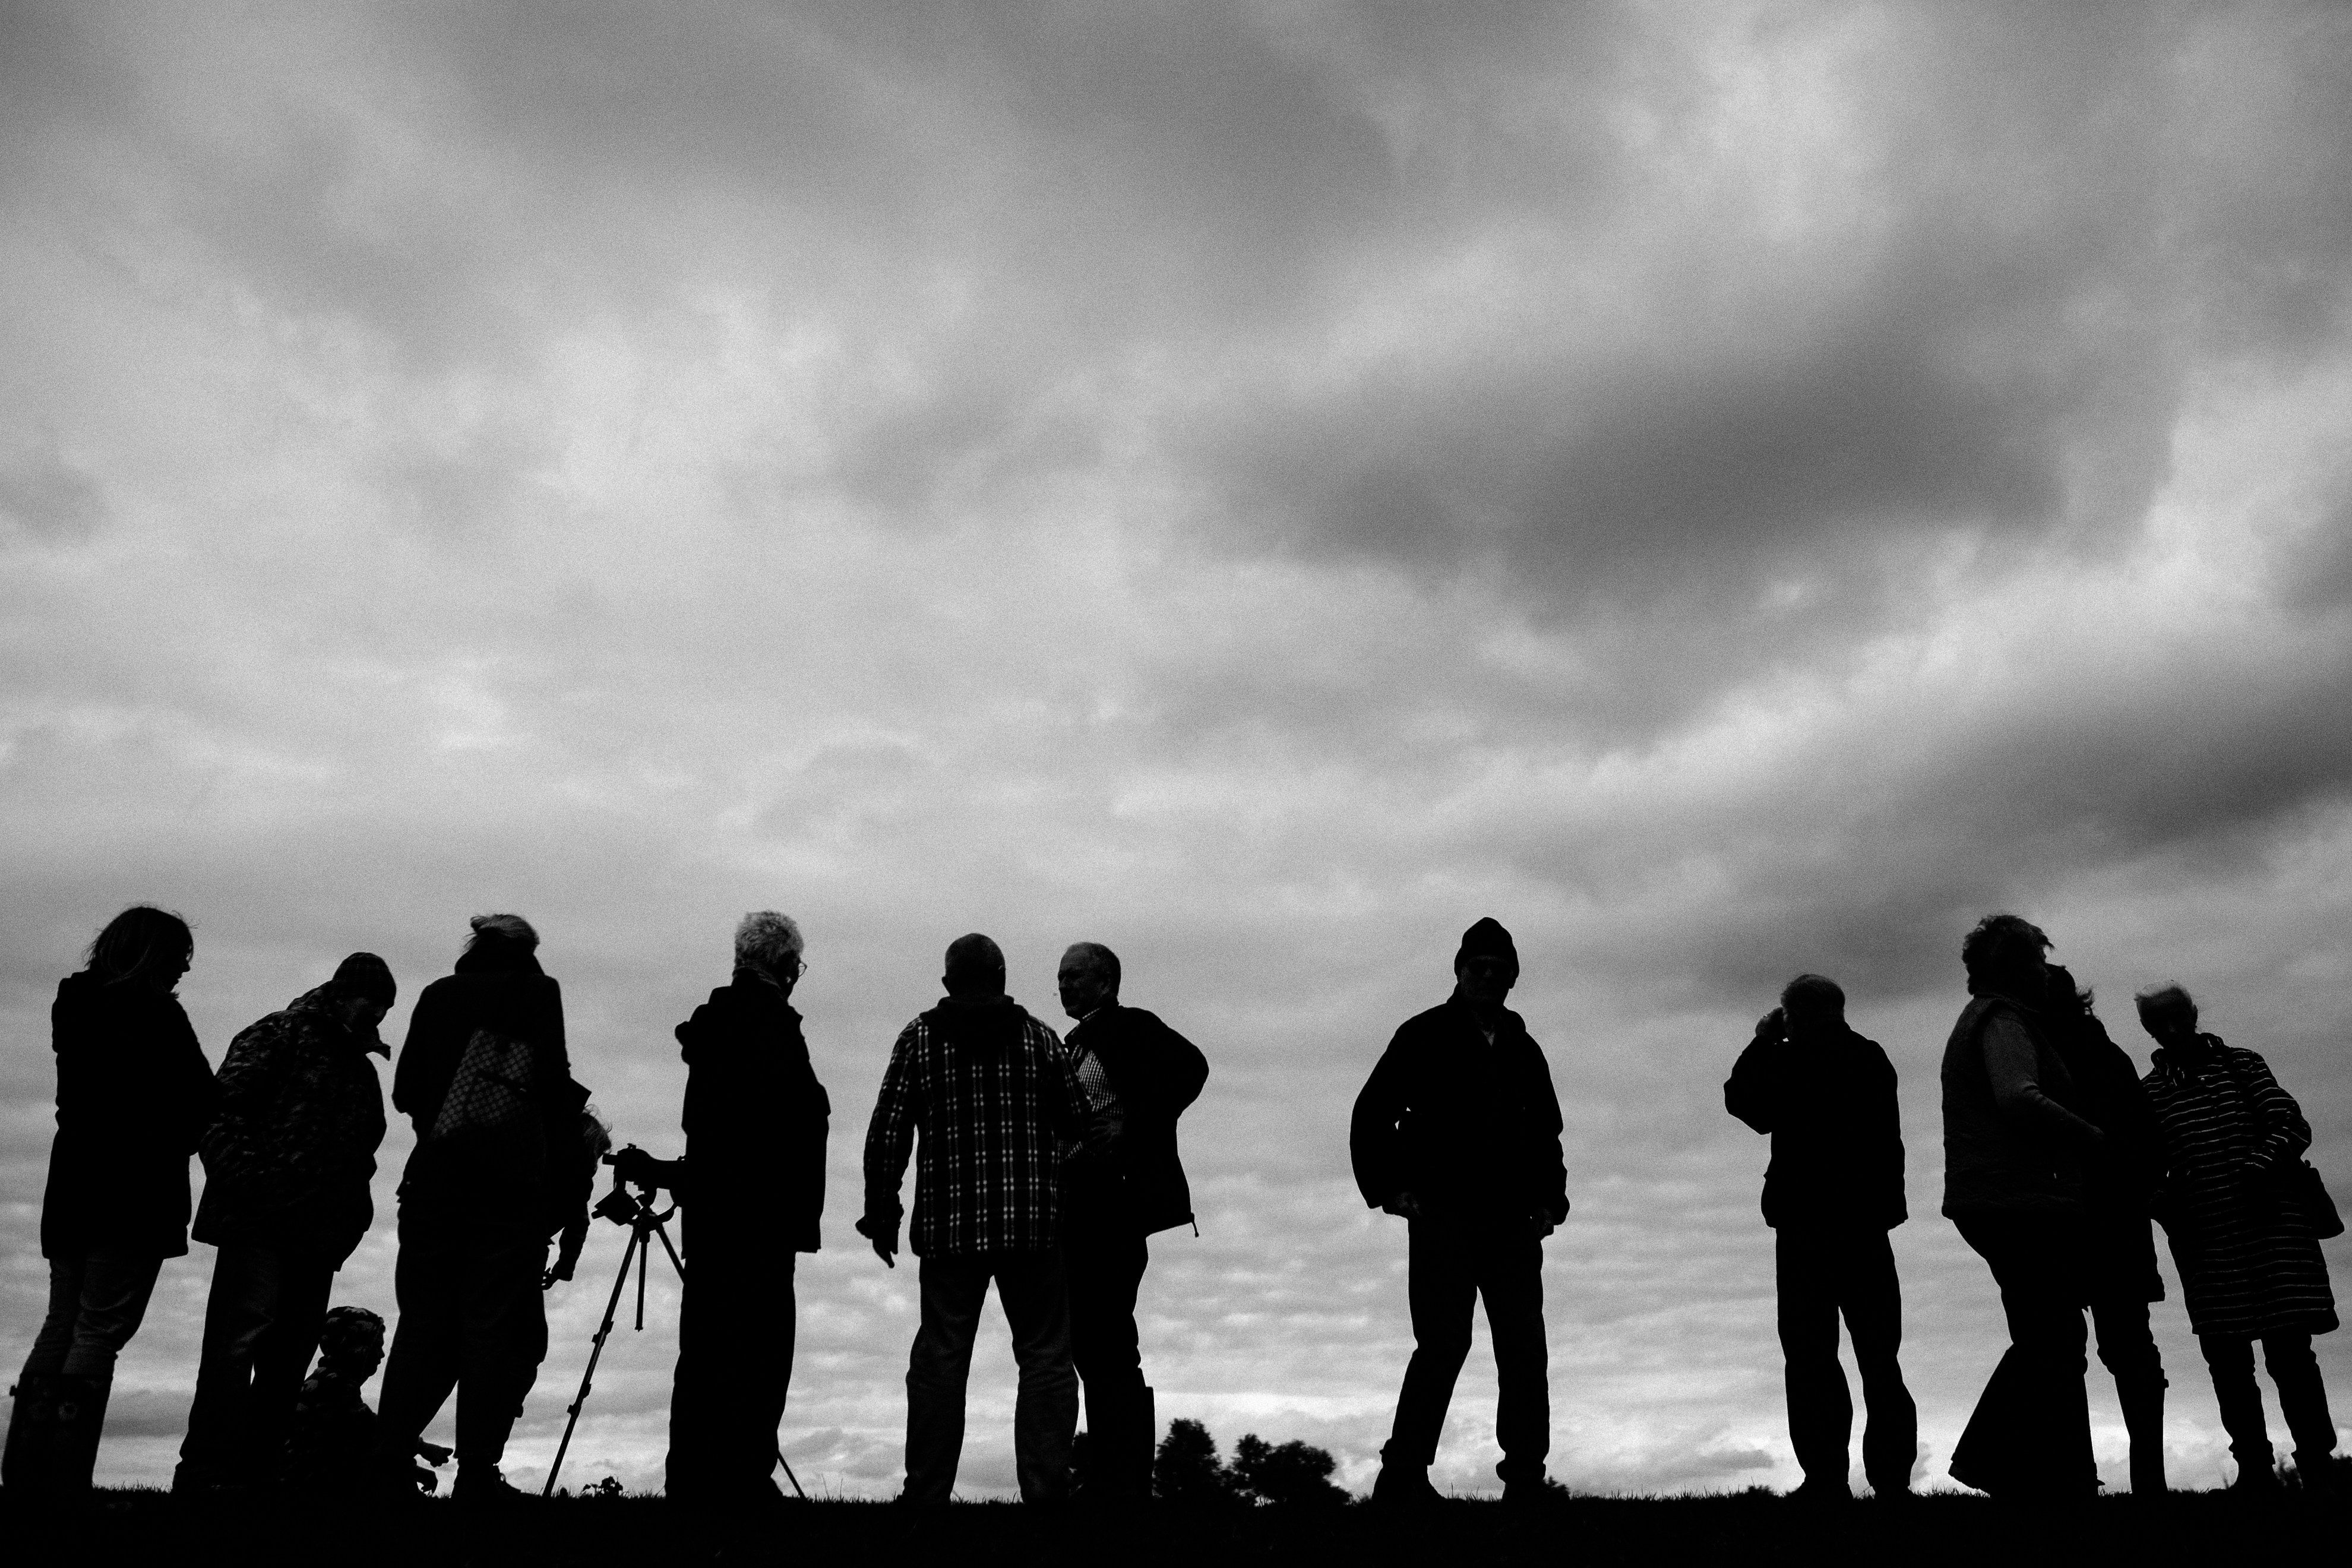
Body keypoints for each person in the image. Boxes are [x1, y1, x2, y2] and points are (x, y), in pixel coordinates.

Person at [371, 913, 593, 1504]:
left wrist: (448, 1123)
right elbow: (551, 1085)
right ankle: (476, 1474)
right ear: (528, 951)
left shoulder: (437, 996)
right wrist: (567, 1199)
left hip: (433, 1189)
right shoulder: (537, 993)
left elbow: (405, 1092)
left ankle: (386, 1462)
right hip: (508, 1198)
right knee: (494, 1332)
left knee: (421, 1327)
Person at [859, 934, 1085, 1504]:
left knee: (941, 1359)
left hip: (949, 1230)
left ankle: (926, 1495)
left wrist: (882, 1212)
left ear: (947, 984)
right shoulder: (1040, 1039)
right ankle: (1047, 1495)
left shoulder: (919, 1038)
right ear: (1004, 976)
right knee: (1045, 1359)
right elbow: (1080, 1120)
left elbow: (888, 1131)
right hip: (1032, 1225)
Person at [1351, 917, 1568, 1505]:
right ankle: (1403, 1476)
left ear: (1512, 978)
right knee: (1444, 1345)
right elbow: (1373, 1114)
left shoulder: (1524, 1048)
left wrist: (1551, 1201)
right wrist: (1391, 1188)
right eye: (1480, 967)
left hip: (1515, 1222)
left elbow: (1546, 1131)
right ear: (1460, 970)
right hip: (1444, 1217)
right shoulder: (1422, 1035)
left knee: (1524, 1349)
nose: (1490, 977)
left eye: (1501, 970)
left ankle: (1525, 1477)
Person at [617, 911, 830, 1507]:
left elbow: (715, 1130)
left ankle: (689, 1477)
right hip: (764, 1214)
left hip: (709, 1214)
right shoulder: (774, 1027)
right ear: (786, 966)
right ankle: (744, 1477)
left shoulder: (713, 1028)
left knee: (705, 1351)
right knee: (761, 1356)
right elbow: (787, 1121)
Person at [5, 906, 217, 1494]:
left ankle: (27, 1474)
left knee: (62, 1320)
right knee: (99, 1329)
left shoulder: (74, 1004)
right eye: (178, 960)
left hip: (73, 1182)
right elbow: (201, 1100)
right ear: (155, 956)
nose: (181, 973)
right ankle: (62, 1479)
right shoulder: (160, 1015)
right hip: (136, 1189)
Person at [173, 953, 397, 1493]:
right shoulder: (277, 1035)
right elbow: (218, 1115)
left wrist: (351, 1219)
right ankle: (205, 1475)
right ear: (346, 994)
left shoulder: (361, 1070)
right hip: (257, 1226)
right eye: (375, 1005)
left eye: (386, 1009)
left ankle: (257, 1479)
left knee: (288, 1359)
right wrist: (255, 1187)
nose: (380, 1019)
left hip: (318, 1237)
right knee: (234, 1350)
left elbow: (365, 1152)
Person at [2136, 984, 2338, 1493]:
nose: (2172, 1027)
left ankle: (2317, 1460)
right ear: (2150, 1029)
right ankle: (2253, 1468)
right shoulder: (2151, 1093)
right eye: (2160, 1021)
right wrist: (2163, 1200)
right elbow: (2144, 1169)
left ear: (2193, 1014)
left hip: (2274, 1232)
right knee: (2228, 1362)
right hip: (2207, 1242)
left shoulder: (2243, 1065)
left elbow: (2290, 1124)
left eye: (2178, 1015)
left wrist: (2257, 1167)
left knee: (2291, 1354)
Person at [1724, 973, 1915, 1501]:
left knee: (1811, 1359)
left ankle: (1827, 1478)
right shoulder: (1873, 1058)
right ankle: (1893, 1479)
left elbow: (1744, 1103)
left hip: (1806, 1227)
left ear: (1791, 1013)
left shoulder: (1790, 1058)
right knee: (1881, 1359)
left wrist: (1763, 1041)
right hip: (1866, 1226)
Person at [1941, 914, 2106, 1502]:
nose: (2045, 972)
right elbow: (2017, 1096)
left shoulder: (1994, 1018)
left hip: (1998, 1197)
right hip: (2013, 1198)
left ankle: (2039, 1475)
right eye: (2037, 962)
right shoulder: (2003, 1020)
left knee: (2049, 1334)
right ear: (2013, 968)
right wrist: (2093, 1138)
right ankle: (1995, 1461)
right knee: (2054, 1334)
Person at [1054, 941, 1209, 1501]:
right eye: (1061, 978)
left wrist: (1134, 1126)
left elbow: (1193, 1068)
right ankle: (1113, 1477)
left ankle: (1122, 1481)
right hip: (1078, 1208)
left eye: (1073, 977)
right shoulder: (1077, 1041)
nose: (1063, 986)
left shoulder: (1131, 1027)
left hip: (1112, 1207)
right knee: (1092, 1345)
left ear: (1105, 982)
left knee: (1108, 1342)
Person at [2041, 965, 2168, 1496]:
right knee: (2129, 1346)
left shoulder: (2047, 1054)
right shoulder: (2108, 1053)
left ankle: (2078, 1479)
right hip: (2117, 1216)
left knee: (2066, 1349)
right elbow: (2146, 1138)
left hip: (2075, 1213)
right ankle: (2148, 1481)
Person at [286, 1307, 449, 1493]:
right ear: (356, 1347)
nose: (382, 1355)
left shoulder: (328, 1380)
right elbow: (373, 1433)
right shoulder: (336, 1385)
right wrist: (420, 1453)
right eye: (376, 1346)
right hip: (305, 1484)